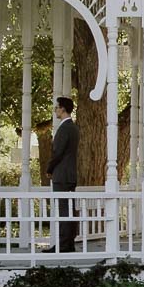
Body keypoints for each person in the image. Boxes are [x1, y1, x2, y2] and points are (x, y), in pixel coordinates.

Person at [47, 96, 80, 252]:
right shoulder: (73, 127)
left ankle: (64, 245)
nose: (55, 110)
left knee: (63, 211)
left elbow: (57, 152)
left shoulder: (65, 128)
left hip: (62, 174)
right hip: (70, 174)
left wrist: (49, 169)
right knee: (69, 210)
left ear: (63, 109)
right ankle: (69, 243)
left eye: (57, 107)